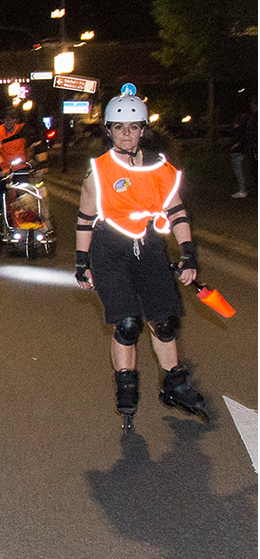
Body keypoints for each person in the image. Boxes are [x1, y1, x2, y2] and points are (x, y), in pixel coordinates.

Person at [75, 85, 211, 429]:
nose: (126, 134)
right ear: (109, 131)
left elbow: (177, 212)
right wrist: (81, 263)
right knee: (128, 323)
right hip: (109, 249)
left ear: (142, 130)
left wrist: (189, 254)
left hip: (149, 247)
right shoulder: (98, 172)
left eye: (133, 127)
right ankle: (126, 387)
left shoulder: (160, 169)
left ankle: (174, 384)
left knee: (164, 322)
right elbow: (85, 219)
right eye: (119, 127)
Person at [229, 100, 254, 198]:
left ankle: (242, 190)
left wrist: (235, 146)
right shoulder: (241, 130)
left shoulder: (240, 131)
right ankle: (243, 189)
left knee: (239, 172)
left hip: (239, 153)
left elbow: (241, 141)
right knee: (239, 171)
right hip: (238, 152)